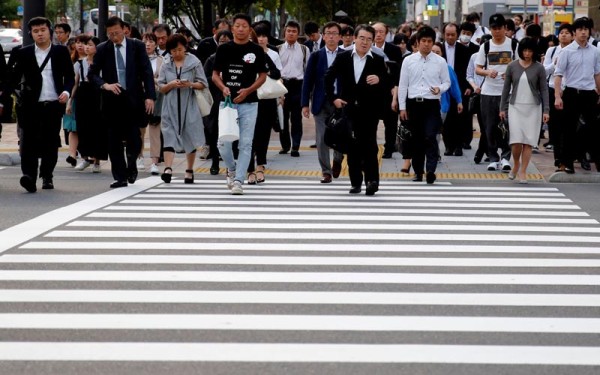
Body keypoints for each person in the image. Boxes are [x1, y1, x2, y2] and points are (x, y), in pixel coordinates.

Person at [88, 16, 156, 188]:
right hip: (112, 100)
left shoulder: (136, 46)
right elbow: (92, 74)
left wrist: (150, 96)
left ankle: (132, 164)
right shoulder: (103, 49)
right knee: (114, 140)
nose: (114, 37)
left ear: (124, 30)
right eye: (110, 34)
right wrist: (105, 85)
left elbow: (147, 72)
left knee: (134, 138)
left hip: (133, 98)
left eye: (117, 33)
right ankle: (120, 176)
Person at [10, 17, 74, 192]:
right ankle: (29, 176)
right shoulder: (24, 53)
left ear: (49, 32)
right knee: (27, 142)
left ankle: (47, 176)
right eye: (35, 31)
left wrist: (67, 92)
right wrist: (17, 96)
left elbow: (69, 76)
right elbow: (13, 79)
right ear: (31, 33)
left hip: (53, 104)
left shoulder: (61, 52)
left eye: (42, 30)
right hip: (30, 106)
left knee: (50, 143)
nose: (39, 34)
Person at [325, 24, 390, 195]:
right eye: (362, 38)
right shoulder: (343, 57)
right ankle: (355, 182)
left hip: (370, 111)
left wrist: (379, 79)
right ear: (354, 38)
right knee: (352, 146)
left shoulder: (376, 60)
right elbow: (328, 77)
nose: (365, 42)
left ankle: (372, 180)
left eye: (369, 39)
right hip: (348, 110)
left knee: (370, 145)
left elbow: (388, 83)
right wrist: (334, 99)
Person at [212, 13, 267, 195]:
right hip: (227, 103)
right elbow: (215, 75)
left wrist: (248, 90)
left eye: (244, 25)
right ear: (232, 28)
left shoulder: (257, 50)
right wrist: (223, 87)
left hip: (249, 103)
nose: (241, 29)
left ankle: (238, 181)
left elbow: (262, 76)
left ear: (249, 28)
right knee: (223, 143)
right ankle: (232, 168)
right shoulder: (224, 49)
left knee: (245, 144)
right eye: (238, 25)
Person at [398, 26, 450, 185]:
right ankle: (418, 172)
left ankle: (431, 171)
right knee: (416, 139)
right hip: (413, 104)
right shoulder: (408, 60)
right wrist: (402, 107)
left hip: (432, 104)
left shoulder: (440, 61)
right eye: (423, 41)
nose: (426, 44)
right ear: (417, 42)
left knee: (430, 136)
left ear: (433, 42)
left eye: (429, 41)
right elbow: (403, 85)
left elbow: (447, 82)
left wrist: (439, 89)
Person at [157, 34, 207, 184]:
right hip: (170, 105)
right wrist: (171, 84)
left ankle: (189, 170)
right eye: (173, 51)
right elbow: (161, 87)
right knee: (168, 134)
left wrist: (190, 84)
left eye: (179, 49)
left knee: (189, 135)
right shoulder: (166, 64)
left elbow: (203, 83)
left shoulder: (194, 62)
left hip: (189, 104)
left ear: (185, 48)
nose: (177, 53)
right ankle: (168, 168)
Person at [554, 17, 600, 173]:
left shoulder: (595, 51)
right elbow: (558, 75)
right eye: (580, 29)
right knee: (568, 129)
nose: (583, 32)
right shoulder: (566, 51)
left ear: (589, 32)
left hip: (589, 94)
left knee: (593, 128)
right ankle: (567, 163)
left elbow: (597, 73)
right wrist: (557, 96)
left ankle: (594, 160)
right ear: (574, 33)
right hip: (572, 93)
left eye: (586, 29)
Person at [500, 37, 549, 183]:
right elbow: (506, 89)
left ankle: (523, 170)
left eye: (530, 50)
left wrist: (546, 110)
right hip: (515, 107)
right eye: (525, 50)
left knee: (528, 141)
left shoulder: (539, 68)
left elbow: (544, 90)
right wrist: (502, 108)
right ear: (520, 51)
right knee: (516, 141)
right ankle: (516, 164)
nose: (527, 53)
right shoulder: (512, 66)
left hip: (534, 108)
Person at [302, 21, 345, 183]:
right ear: (323, 36)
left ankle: (338, 160)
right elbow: (308, 81)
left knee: (340, 135)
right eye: (328, 33)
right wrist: (305, 103)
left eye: (335, 33)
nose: (331, 36)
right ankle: (326, 171)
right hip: (320, 101)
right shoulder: (316, 56)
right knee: (321, 138)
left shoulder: (345, 55)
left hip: (340, 102)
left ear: (340, 37)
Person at [475, 14, 516, 173]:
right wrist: (487, 72)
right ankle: (493, 158)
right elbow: (477, 68)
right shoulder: (485, 46)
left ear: (505, 29)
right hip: (488, 92)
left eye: (500, 28)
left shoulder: (513, 45)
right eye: (494, 28)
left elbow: (521, 66)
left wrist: (511, 74)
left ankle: (506, 157)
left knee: (507, 126)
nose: (497, 31)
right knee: (489, 127)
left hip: (508, 93)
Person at [247, 24, 282, 184]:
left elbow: (276, 73)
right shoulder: (233, 54)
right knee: (248, 136)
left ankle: (260, 166)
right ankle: (249, 170)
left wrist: (264, 73)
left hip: (265, 101)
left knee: (263, 135)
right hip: (246, 99)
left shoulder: (260, 53)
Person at [67, 36, 106, 173]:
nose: (86, 47)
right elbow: (76, 83)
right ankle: (84, 158)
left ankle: (96, 161)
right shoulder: (80, 63)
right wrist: (70, 102)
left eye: (90, 45)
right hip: (83, 95)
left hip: (97, 94)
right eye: (86, 45)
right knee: (82, 127)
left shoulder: (102, 63)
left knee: (97, 127)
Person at [277, 21, 310, 157]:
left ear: (298, 33)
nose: (291, 33)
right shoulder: (278, 49)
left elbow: (307, 70)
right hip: (281, 85)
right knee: (282, 117)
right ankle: (285, 146)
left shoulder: (304, 49)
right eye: (289, 31)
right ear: (285, 32)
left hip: (298, 85)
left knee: (296, 118)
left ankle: (295, 146)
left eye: (294, 31)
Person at [440, 23, 474, 155]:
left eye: (453, 35)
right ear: (444, 34)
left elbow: (468, 71)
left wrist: (468, 87)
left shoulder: (464, 50)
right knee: (446, 117)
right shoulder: (438, 49)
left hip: (460, 88)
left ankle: (459, 145)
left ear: (457, 35)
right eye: (447, 34)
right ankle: (449, 145)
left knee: (460, 117)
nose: (450, 37)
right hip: (443, 88)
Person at [203, 30, 233, 176]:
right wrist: (218, 79)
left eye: (227, 41)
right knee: (215, 132)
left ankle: (231, 164)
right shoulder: (212, 59)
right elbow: (204, 79)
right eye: (222, 41)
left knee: (232, 133)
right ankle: (215, 161)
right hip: (215, 101)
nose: (224, 44)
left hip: (233, 101)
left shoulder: (237, 58)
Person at [372, 22, 404, 159]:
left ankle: (389, 148)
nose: (378, 34)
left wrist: (395, 90)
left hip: (389, 92)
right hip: (372, 92)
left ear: (386, 33)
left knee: (390, 123)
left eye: (381, 32)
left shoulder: (394, 50)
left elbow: (398, 73)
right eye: (376, 32)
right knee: (370, 122)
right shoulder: (367, 49)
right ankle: (371, 147)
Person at [543, 23, 573, 163]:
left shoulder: (575, 50)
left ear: (572, 35)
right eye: (562, 32)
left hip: (569, 89)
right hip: (552, 88)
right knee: (554, 123)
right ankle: (557, 155)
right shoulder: (552, 50)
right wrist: (554, 64)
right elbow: (544, 71)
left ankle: (570, 155)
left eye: (567, 32)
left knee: (568, 123)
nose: (564, 35)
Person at [467, 34, 492, 164]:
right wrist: (474, 86)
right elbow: (469, 75)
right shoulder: (474, 57)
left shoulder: (496, 57)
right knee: (484, 126)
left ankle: (481, 152)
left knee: (490, 126)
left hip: (493, 95)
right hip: (480, 95)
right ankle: (486, 151)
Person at [142, 32, 164, 175]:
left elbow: (162, 80)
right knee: (139, 129)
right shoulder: (136, 59)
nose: (148, 44)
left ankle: (154, 161)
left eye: (151, 42)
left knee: (155, 128)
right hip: (139, 96)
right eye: (145, 42)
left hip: (156, 96)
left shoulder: (161, 60)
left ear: (155, 44)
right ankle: (138, 156)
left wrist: (150, 80)